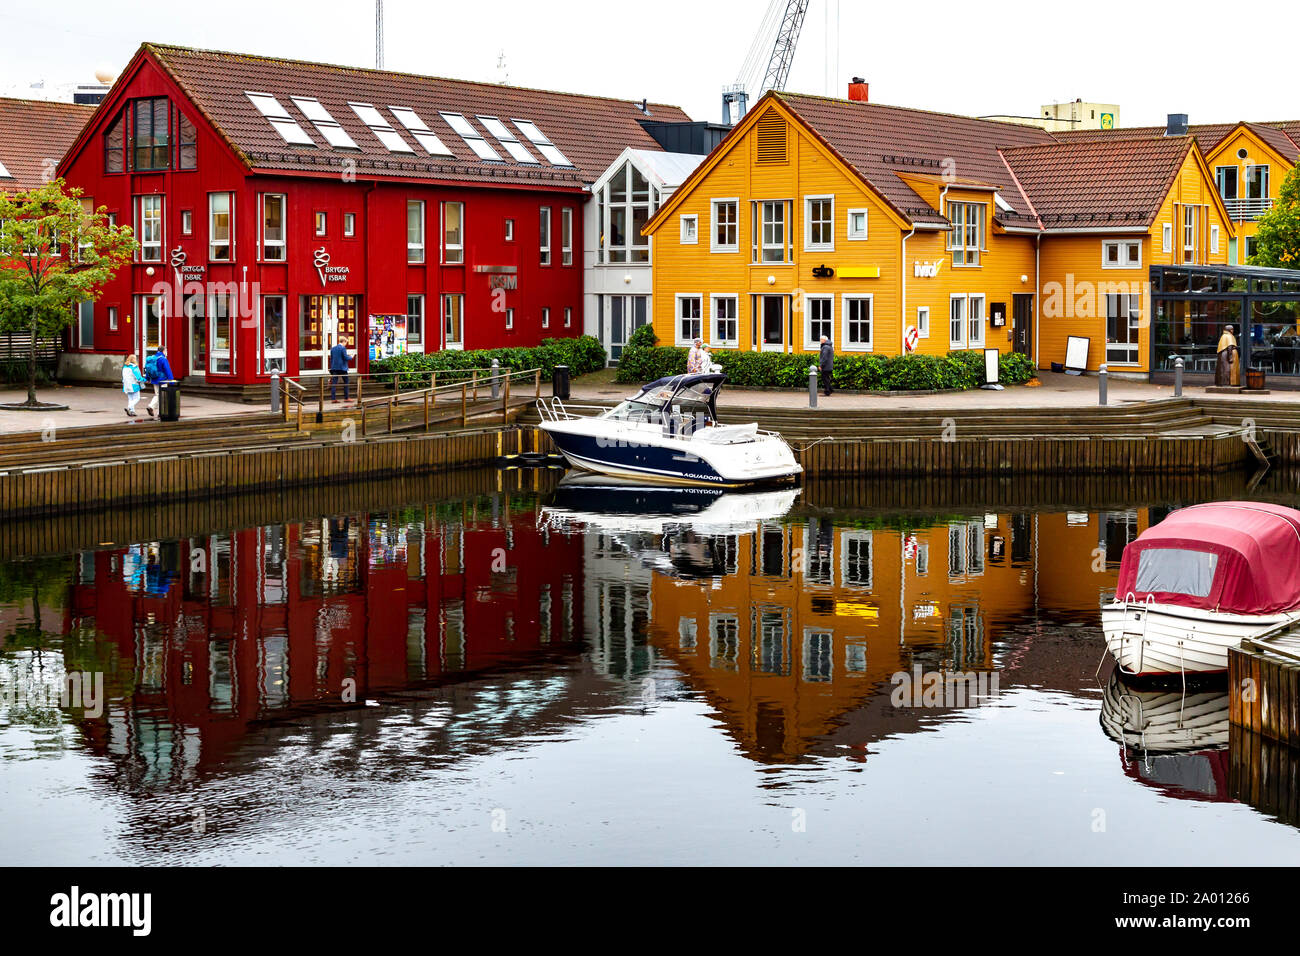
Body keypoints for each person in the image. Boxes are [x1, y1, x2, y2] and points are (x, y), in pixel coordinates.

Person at [144, 345, 175, 419]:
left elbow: (148, 369)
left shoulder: (153, 358)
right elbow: (168, 370)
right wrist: (171, 380)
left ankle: (154, 409)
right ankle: (157, 410)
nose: (166, 352)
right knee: (163, 396)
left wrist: (147, 378)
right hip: (163, 380)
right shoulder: (163, 359)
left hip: (154, 380)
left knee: (157, 395)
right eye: (166, 350)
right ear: (163, 351)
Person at [121, 354, 145, 418]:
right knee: (137, 398)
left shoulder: (124, 367)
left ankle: (132, 411)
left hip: (126, 385)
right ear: (134, 360)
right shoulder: (134, 367)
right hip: (133, 385)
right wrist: (145, 379)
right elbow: (139, 378)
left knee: (131, 398)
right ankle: (129, 407)